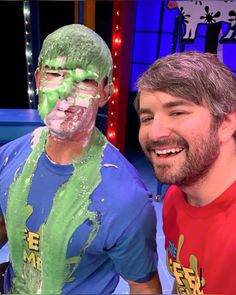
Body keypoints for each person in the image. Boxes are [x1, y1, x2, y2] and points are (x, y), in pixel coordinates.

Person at [0, 24, 162, 294]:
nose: (66, 92)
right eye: (54, 74)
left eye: (85, 81)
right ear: (39, 81)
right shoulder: (10, 157)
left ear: (106, 92)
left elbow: (143, 285)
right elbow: (5, 221)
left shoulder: (126, 199)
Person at [135, 51, 236, 294]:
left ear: (225, 123)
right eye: (147, 117)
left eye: (177, 112)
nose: (155, 132)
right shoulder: (175, 198)